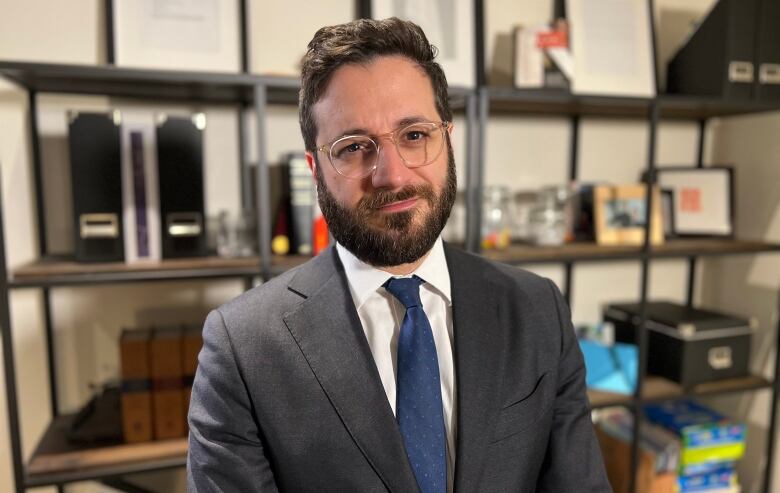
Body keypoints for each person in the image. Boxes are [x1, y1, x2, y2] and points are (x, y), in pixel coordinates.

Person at [187, 17, 610, 493]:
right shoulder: (242, 347)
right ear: (315, 169)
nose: (392, 175)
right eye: (353, 147)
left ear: (447, 139)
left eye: (414, 135)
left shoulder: (538, 309)